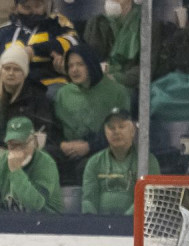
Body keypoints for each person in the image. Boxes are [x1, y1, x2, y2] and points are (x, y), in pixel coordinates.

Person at [51, 43, 130, 186]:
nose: (74, 70)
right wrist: (62, 145)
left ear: (91, 64)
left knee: (88, 167)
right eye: (70, 66)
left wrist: (89, 146)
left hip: (102, 151)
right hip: (69, 152)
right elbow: (54, 129)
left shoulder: (117, 92)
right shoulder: (63, 94)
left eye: (80, 64)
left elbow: (122, 131)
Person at [0, 42, 57, 150]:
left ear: (24, 73)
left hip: (24, 156)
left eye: (16, 69)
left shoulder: (38, 99)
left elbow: (45, 135)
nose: (11, 73)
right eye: (7, 68)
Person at [0, 0, 78, 95]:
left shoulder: (57, 26)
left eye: (38, 6)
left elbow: (73, 42)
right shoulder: (1, 33)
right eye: (26, 7)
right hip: (10, 89)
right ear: (15, 8)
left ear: (45, 5)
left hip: (49, 86)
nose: (33, 11)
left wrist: (34, 50)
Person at [81, 107, 159, 215]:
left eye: (121, 126)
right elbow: (88, 200)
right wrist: (93, 222)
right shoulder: (94, 162)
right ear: (105, 132)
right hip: (99, 227)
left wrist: (124, 222)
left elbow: (149, 198)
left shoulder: (147, 161)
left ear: (132, 131)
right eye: (111, 128)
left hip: (135, 225)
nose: (116, 131)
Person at [0, 115, 62, 213]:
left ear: (33, 141)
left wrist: (16, 171)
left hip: (45, 223)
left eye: (22, 144)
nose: (17, 150)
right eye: (12, 145)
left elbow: (36, 204)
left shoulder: (46, 163)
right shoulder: (1, 161)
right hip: (10, 224)